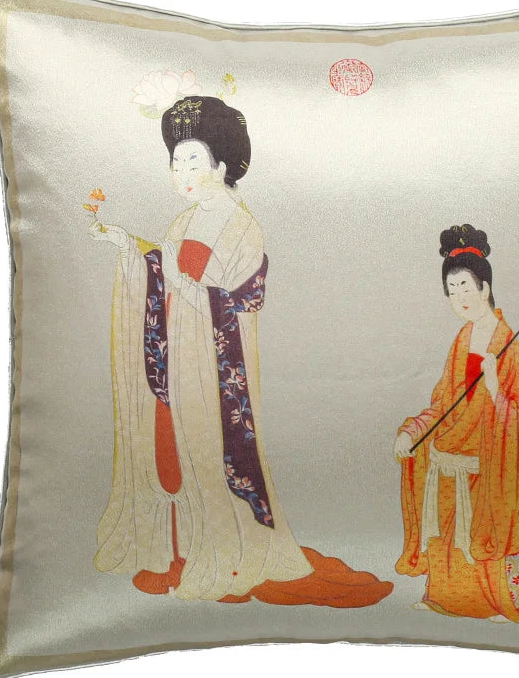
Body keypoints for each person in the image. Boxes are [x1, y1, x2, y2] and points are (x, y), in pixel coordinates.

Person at [88, 94, 391, 607]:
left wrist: (185, 285)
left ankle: (227, 558)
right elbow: (164, 273)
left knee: (210, 453)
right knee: (170, 451)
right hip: (175, 355)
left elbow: (237, 301)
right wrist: (131, 252)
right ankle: (178, 553)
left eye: (194, 161)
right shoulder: (183, 222)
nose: (182, 173)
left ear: (222, 165)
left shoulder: (242, 228)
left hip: (212, 364)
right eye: (176, 162)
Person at [394, 224, 519, 622]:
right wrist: (412, 431)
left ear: (485, 288)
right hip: (449, 459)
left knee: (482, 533)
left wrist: (496, 389)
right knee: (447, 533)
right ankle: (443, 598)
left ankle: (497, 603)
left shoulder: (506, 344)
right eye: (452, 291)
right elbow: (442, 403)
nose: (460, 298)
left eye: (465, 287)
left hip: (487, 462)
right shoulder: (462, 339)